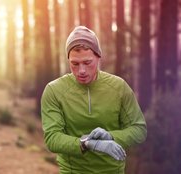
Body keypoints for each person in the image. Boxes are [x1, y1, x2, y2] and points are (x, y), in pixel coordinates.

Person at [41, 26, 147, 174]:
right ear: (68, 60)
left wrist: (111, 136)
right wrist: (88, 144)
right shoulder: (54, 90)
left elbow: (139, 130)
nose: (82, 70)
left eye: (87, 62)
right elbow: (52, 138)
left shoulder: (119, 87)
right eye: (75, 64)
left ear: (98, 57)